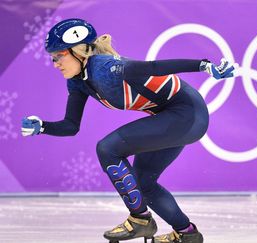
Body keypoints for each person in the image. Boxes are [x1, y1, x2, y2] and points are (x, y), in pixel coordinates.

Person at [21, 18, 234, 243]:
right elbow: (71, 126)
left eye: (59, 56)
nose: (55, 63)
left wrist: (205, 65)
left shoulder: (103, 67)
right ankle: (187, 233)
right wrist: (43, 126)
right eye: (52, 58)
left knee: (108, 148)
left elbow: (153, 67)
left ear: (79, 51)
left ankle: (140, 219)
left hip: (187, 113)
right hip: (170, 117)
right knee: (143, 183)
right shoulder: (77, 81)